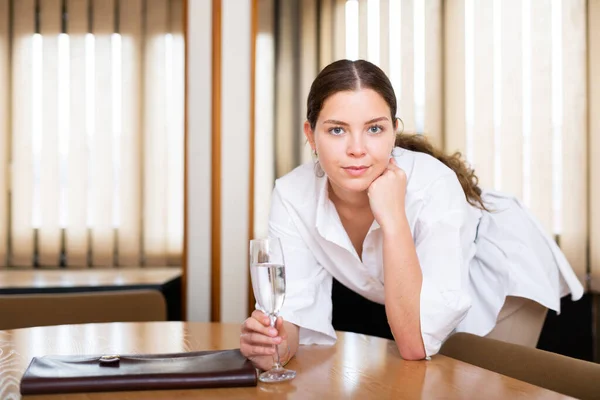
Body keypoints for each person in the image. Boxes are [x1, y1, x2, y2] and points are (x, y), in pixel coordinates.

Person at [239, 59, 584, 370]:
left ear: (393, 131)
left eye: (374, 128)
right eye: (337, 130)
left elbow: (414, 344)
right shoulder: (291, 194)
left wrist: (393, 220)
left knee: (484, 382)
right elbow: (294, 313)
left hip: (498, 266)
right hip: (419, 290)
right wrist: (276, 347)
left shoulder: (433, 186)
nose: (357, 148)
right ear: (310, 135)